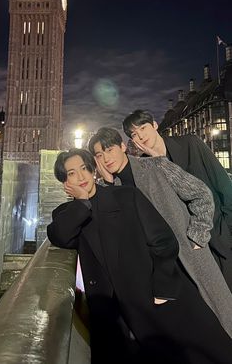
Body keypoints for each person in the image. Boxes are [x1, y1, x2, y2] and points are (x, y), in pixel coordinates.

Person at [47, 148, 232, 364]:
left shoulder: (127, 196)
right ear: (64, 182)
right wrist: (82, 203)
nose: (81, 177)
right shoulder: (67, 213)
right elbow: (59, 236)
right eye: (71, 173)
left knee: (202, 353)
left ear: (92, 170)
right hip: (118, 317)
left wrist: (163, 289)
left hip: (160, 297)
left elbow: (163, 240)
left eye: (84, 169)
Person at [88, 127, 232, 339]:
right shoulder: (110, 189)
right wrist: (109, 186)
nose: (106, 158)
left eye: (109, 150)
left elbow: (201, 194)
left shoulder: (156, 165)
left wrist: (197, 235)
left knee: (221, 315)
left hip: (188, 256)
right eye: (99, 155)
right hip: (157, 273)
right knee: (192, 332)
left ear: (122, 147)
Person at [122, 109, 232, 284]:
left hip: (219, 235)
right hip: (188, 249)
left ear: (155, 125)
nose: (141, 136)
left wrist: (227, 231)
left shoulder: (191, 143)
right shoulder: (144, 167)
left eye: (143, 128)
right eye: (134, 134)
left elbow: (223, 185)